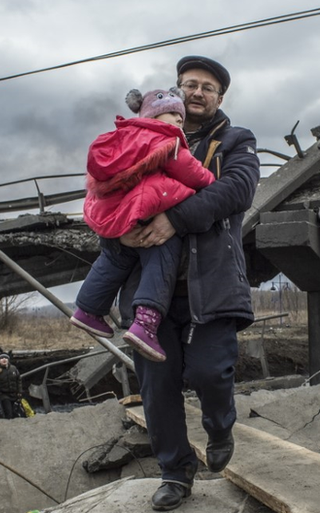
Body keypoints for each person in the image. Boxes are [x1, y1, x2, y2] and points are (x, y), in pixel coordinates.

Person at [118, 56, 259, 511]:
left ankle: (220, 426)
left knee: (208, 372)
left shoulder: (236, 140)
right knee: (157, 388)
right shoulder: (140, 135)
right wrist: (117, 226)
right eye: (189, 85)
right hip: (148, 295)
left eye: (207, 88)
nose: (197, 93)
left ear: (220, 98)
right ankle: (175, 473)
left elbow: (236, 191)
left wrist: (174, 218)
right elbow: (109, 187)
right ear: (175, 91)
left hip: (212, 285)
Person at [71, 87, 215, 362]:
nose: (178, 120)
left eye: (180, 116)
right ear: (152, 115)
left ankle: (87, 309)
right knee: (162, 257)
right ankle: (146, 324)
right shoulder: (165, 141)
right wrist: (212, 182)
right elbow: (192, 172)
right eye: (172, 113)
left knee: (115, 258)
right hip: (147, 209)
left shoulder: (125, 138)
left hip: (120, 213)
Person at [0, 354, 22, 419]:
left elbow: (18, 380)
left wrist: (19, 391)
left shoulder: (13, 368)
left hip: (14, 393)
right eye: (2, 358)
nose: (4, 359)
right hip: (3, 394)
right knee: (8, 411)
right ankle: (8, 422)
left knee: (15, 411)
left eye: (6, 358)